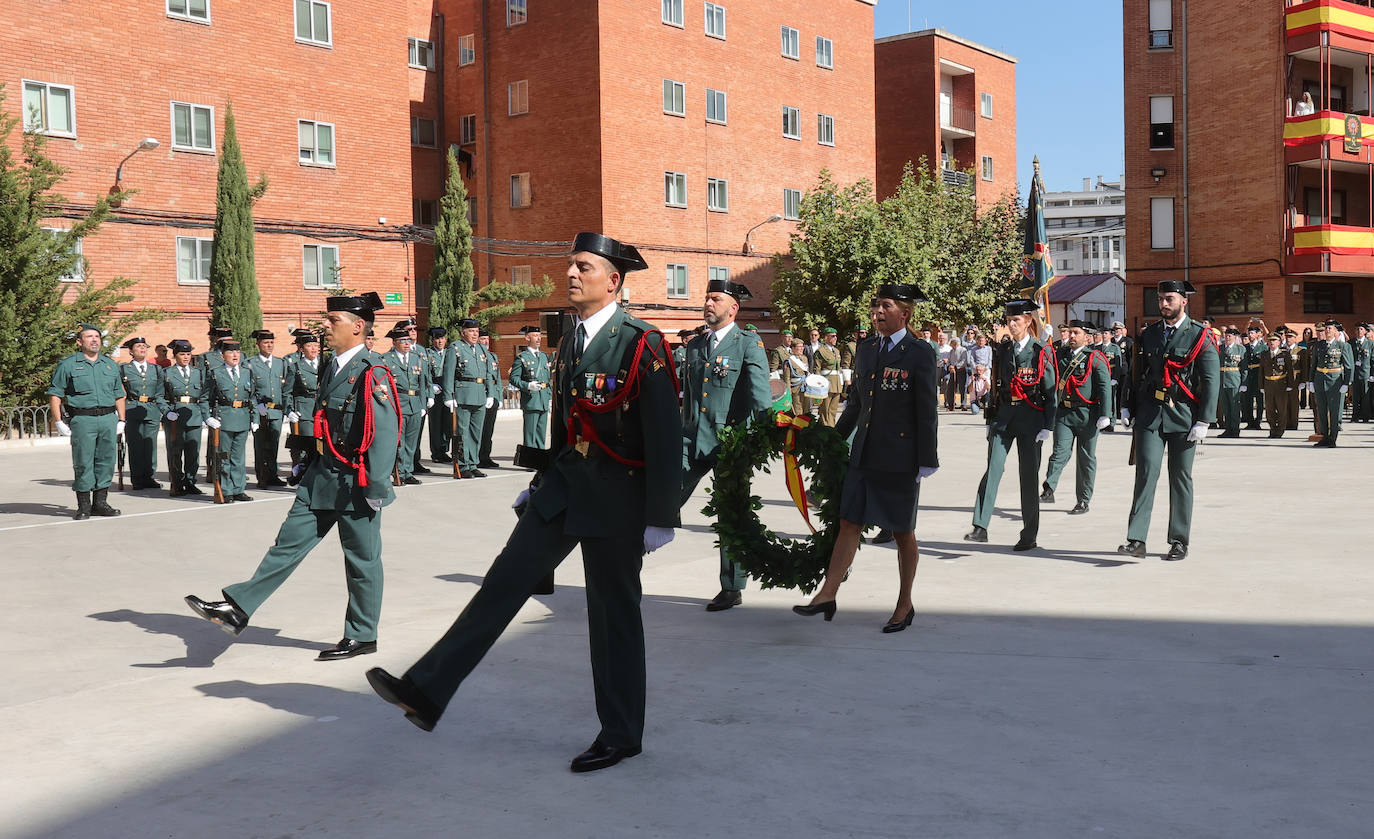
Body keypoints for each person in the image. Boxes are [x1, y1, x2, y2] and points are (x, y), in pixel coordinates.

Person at [366, 233, 681, 774]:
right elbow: (566, 427)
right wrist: (539, 481)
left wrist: (661, 515)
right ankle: (427, 690)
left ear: (615, 281)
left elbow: (665, 432)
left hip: (617, 498)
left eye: (584, 266)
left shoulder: (641, 342)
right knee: (502, 585)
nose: (572, 274)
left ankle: (622, 732)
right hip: (562, 488)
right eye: (571, 265)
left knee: (613, 618)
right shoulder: (572, 340)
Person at [185, 292, 401, 661]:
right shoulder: (333, 365)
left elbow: (383, 432)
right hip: (321, 476)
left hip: (355, 482)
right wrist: (305, 456)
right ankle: (237, 608)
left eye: (334, 321)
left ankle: (363, 635)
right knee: (287, 544)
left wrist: (377, 487)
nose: (326, 328)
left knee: (361, 561)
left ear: (359, 327)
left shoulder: (372, 370)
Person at [794, 283, 938, 632]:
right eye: (875, 306)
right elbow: (856, 404)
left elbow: (926, 409)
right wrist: (833, 440)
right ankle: (827, 594)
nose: (877, 312)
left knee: (902, 531)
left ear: (904, 313)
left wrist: (927, 458)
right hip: (865, 451)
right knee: (849, 522)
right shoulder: (867, 348)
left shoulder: (919, 352)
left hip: (901, 455)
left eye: (885, 306)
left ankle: (905, 603)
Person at [678, 275, 771, 611]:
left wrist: (766, 433)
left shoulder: (748, 343)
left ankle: (732, 586)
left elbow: (760, 394)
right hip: (693, 436)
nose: (707, 303)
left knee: (731, 513)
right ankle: (632, 553)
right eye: (706, 297)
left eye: (715, 299)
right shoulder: (695, 345)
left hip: (732, 442)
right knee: (663, 493)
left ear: (733, 308)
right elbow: (688, 395)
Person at [1118, 280, 1219, 562]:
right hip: (1150, 414)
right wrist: (1127, 405)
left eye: (1169, 299)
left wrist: (1205, 420)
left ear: (1184, 301)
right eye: (1161, 299)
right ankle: (1136, 539)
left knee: (1180, 479)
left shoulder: (1200, 335)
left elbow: (1211, 379)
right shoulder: (1149, 334)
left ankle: (1178, 541)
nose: (1163, 304)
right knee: (1145, 474)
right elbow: (1136, 373)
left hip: (1184, 416)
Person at [966, 299, 1057, 551]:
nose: (1011, 324)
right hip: (1004, 417)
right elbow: (996, 385)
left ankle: (1029, 534)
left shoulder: (1041, 351)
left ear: (1028, 321)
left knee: (1028, 478)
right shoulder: (1003, 350)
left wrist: (1048, 425)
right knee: (993, 468)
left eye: (1016, 320)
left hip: (1031, 419)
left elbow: (1050, 392)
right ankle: (980, 526)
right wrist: (990, 418)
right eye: (1009, 320)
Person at [49, 324, 126, 519]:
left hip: (108, 418)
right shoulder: (68, 365)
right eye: (89, 337)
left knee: (106, 461)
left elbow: (119, 394)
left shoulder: (110, 365)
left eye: (97, 337)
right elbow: (56, 394)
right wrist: (58, 421)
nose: (94, 340)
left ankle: (100, 503)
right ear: (79, 342)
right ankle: (84, 506)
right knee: (83, 462)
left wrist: (122, 419)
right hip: (83, 419)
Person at [1040, 321, 1111, 515]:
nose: (1070, 336)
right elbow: (1043, 361)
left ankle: (1083, 500)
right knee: (1059, 452)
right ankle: (1049, 487)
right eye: (1069, 332)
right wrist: (1042, 338)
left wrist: (1106, 414)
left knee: (1086, 459)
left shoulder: (1095, 357)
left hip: (1088, 414)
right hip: (1065, 413)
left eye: (1075, 333)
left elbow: (1104, 386)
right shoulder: (1061, 355)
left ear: (1086, 337)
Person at [205, 340, 257, 503]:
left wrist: (254, 418)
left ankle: (238, 489)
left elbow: (253, 397)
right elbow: (205, 397)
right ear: (222, 356)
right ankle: (226, 490)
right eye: (230, 352)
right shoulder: (215, 373)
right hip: (224, 419)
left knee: (239, 457)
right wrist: (208, 417)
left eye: (237, 352)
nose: (235, 355)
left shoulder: (247, 372)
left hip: (242, 417)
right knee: (224, 457)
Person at [442, 318, 492, 478]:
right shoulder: (456, 348)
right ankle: (462, 465)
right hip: (463, 395)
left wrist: (490, 393)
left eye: (477, 331)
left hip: (479, 395)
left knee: (476, 433)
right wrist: (449, 395)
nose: (475, 334)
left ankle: (473, 463)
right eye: (471, 331)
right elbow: (448, 373)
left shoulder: (482, 350)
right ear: (463, 333)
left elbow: (488, 373)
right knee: (462, 433)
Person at [382, 325, 432, 484]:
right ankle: (397, 471)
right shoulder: (386, 359)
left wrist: (423, 404)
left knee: (411, 442)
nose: (407, 344)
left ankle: (408, 471)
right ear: (395, 342)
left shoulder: (417, 358)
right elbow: (385, 386)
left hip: (415, 405)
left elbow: (423, 383)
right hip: (398, 405)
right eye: (403, 341)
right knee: (399, 442)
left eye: (408, 341)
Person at [163, 339, 209, 497]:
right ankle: (176, 482)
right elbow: (159, 396)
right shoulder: (167, 373)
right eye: (182, 354)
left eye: (188, 354)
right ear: (175, 356)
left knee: (193, 452)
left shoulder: (199, 373)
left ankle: (190, 482)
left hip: (194, 416)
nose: (186, 357)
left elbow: (203, 397)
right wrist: (167, 411)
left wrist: (206, 416)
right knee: (175, 451)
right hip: (175, 417)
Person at [119, 336, 166, 490]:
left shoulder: (156, 369)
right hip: (132, 409)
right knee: (135, 446)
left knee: (150, 445)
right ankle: (137, 479)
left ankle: (149, 477)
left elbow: (160, 391)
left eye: (144, 346)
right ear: (131, 351)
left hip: (151, 409)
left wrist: (161, 408)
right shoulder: (124, 369)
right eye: (138, 346)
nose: (142, 348)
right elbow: (119, 391)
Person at [247, 329, 288, 489]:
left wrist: (285, 409)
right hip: (260, 410)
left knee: (274, 444)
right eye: (265, 343)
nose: (269, 345)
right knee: (260, 446)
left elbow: (285, 388)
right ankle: (262, 476)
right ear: (258, 344)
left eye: (271, 342)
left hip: (276, 411)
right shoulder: (250, 364)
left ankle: (273, 474)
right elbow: (248, 389)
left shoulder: (281, 363)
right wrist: (256, 406)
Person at [1309, 318, 1354, 447]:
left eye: (1330, 328)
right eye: (1326, 328)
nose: (1327, 330)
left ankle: (1333, 437)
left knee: (1335, 411)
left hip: (1335, 381)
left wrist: (1346, 383)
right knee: (1321, 410)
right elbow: (1314, 364)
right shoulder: (1319, 345)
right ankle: (1324, 436)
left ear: (1335, 331)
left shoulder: (1343, 346)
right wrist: (1310, 381)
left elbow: (1348, 366)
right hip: (1319, 380)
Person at [283, 329, 323, 473]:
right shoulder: (296, 367)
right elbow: (287, 392)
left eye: (315, 345)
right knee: (305, 446)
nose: (313, 349)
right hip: (305, 411)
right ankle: (302, 474)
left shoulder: (325, 365)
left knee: (322, 446)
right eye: (309, 346)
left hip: (322, 410)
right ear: (301, 349)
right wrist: (289, 410)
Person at [508, 324, 553, 449]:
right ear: (527, 338)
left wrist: (549, 395)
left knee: (541, 433)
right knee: (530, 433)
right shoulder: (522, 358)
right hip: (531, 399)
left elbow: (547, 378)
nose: (538, 338)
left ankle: (539, 460)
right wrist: (528, 385)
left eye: (539, 336)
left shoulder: (544, 356)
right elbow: (513, 378)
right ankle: (529, 460)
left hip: (543, 398)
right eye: (535, 336)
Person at [1259, 331, 1296, 438]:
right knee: (1269, 409)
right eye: (1270, 340)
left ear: (1279, 342)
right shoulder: (1264, 354)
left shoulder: (1285, 354)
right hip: (1268, 384)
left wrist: (1290, 384)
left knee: (1281, 409)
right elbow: (1261, 371)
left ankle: (1280, 430)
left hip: (1281, 384)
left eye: (1274, 340)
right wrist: (1261, 386)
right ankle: (1272, 429)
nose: (1272, 343)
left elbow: (1289, 370)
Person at [425, 326, 453, 464]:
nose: (440, 341)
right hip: (435, 392)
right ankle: (436, 452)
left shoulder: (450, 353)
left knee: (448, 423)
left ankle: (444, 449)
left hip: (447, 391)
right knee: (436, 424)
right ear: (432, 340)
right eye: (437, 339)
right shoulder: (428, 354)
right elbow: (426, 373)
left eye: (442, 338)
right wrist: (431, 387)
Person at [476, 329, 504, 468]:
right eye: (482, 339)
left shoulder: (493, 356)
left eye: (487, 339)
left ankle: (486, 456)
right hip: (480, 396)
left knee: (488, 429)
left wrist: (499, 397)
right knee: (478, 429)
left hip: (492, 396)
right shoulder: (476, 356)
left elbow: (497, 378)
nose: (485, 342)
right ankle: (477, 457)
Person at [1217, 328, 1246, 438]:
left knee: (1234, 407)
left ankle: (1235, 429)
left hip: (1234, 380)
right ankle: (1227, 429)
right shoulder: (1220, 348)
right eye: (1226, 335)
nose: (1227, 338)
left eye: (1230, 336)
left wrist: (1244, 383)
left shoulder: (1240, 349)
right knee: (1225, 407)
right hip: (1222, 380)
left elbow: (1244, 367)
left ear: (1235, 337)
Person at [813, 327, 844, 426]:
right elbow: (817, 369)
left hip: (837, 384)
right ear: (826, 338)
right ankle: (825, 429)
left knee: (833, 411)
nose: (835, 338)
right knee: (824, 410)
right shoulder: (820, 351)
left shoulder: (836, 351)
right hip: (826, 384)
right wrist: (818, 385)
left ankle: (831, 428)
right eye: (832, 336)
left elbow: (839, 369)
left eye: (836, 336)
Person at [1242, 325, 1266, 428]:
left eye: (1252, 333)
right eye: (1249, 333)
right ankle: (1250, 422)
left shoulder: (1263, 347)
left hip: (1258, 375)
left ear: (1257, 334)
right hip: (1248, 376)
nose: (1250, 335)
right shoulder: (1245, 347)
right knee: (1248, 400)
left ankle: (1258, 421)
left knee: (1259, 400)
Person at [1351, 323, 1372, 423]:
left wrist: (1372, 374)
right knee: (1355, 397)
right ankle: (1355, 416)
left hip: (1365, 373)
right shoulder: (1351, 343)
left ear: (1365, 331)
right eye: (1357, 329)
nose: (1359, 331)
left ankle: (1365, 416)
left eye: (1361, 329)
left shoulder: (1370, 343)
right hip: (1354, 373)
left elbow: (1372, 360)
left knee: (1365, 396)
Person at [782, 338, 810, 413]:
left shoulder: (804, 358)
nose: (801, 349)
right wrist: (788, 392)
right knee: (798, 410)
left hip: (805, 388)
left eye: (802, 346)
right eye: (799, 347)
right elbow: (787, 378)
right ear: (793, 348)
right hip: (795, 389)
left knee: (806, 410)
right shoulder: (789, 361)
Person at [945, 335, 969, 410]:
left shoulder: (963, 350)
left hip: (961, 370)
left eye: (951, 343)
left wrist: (955, 366)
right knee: (951, 388)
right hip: (953, 371)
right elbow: (949, 360)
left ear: (955, 343)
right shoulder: (951, 351)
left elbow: (964, 361)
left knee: (962, 388)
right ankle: (951, 404)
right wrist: (950, 366)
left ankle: (963, 404)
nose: (950, 344)